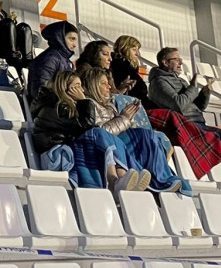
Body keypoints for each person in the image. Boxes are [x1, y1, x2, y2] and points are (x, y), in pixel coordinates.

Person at [31, 71, 148, 191]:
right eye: (76, 86)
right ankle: (114, 181)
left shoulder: (68, 106)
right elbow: (86, 126)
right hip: (56, 154)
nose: (81, 90)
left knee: (108, 137)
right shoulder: (56, 107)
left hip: (66, 147)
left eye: (80, 86)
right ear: (65, 89)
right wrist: (84, 101)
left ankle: (123, 177)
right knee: (98, 133)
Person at [79, 66, 184, 194]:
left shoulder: (110, 105)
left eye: (108, 83)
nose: (109, 87)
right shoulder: (88, 105)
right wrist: (124, 119)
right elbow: (99, 134)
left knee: (148, 136)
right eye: (103, 83)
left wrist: (130, 121)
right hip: (107, 147)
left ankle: (162, 179)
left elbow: (121, 126)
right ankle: (155, 182)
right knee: (143, 136)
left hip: (118, 143)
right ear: (92, 85)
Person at [147, 46, 221, 149]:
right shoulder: (158, 82)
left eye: (181, 60)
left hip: (198, 124)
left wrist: (205, 93)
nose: (181, 63)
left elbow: (199, 107)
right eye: (177, 60)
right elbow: (178, 104)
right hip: (186, 127)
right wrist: (192, 87)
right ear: (165, 62)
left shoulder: (181, 80)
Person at [27, 21, 79, 102]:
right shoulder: (49, 59)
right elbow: (39, 89)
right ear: (60, 38)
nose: (75, 44)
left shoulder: (65, 60)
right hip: (48, 108)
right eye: (71, 39)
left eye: (75, 40)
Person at [111, 35, 148, 107]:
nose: (137, 53)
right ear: (124, 48)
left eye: (138, 50)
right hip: (132, 105)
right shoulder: (122, 66)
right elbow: (138, 90)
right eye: (134, 49)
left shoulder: (129, 67)